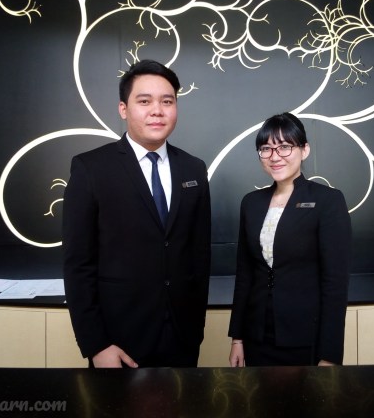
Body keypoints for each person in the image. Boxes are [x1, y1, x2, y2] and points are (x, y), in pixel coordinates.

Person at [63, 59, 211, 368]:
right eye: (144, 101)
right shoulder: (91, 168)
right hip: (118, 343)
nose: (157, 110)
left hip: (182, 339)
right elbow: (78, 265)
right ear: (123, 109)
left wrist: (195, 330)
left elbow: (199, 256)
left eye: (167, 101)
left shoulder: (193, 168)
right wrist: (96, 345)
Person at [228, 112, 351, 366]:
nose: (275, 156)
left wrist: (329, 354)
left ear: (304, 150)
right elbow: (245, 275)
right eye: (266, 148)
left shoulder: (328, 201)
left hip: (305, 337)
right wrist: (237, 338)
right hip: (257, 336)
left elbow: (335, 284)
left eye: (284, 147)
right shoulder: (251, 203)